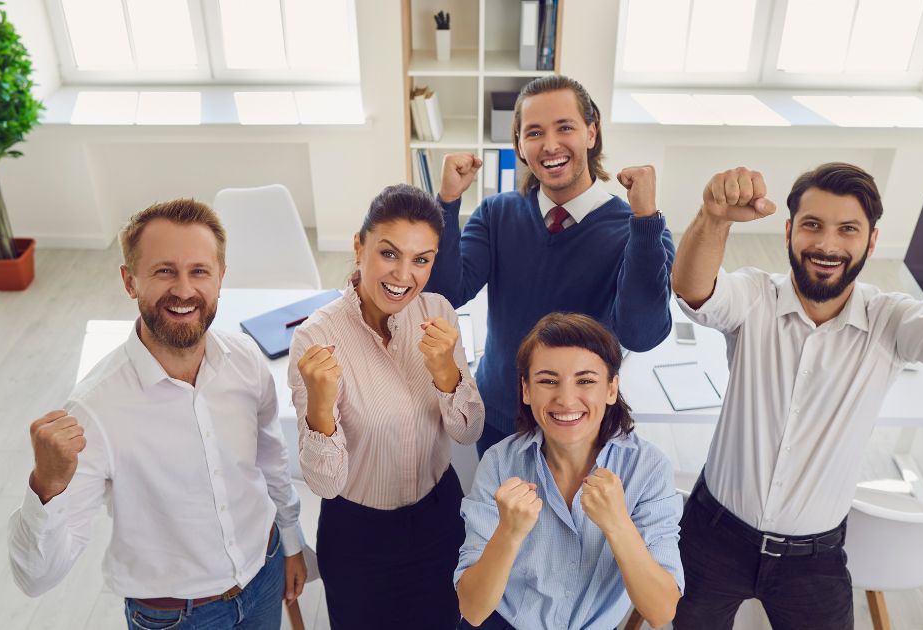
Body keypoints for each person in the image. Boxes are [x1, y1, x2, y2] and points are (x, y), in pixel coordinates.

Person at [669, 163, 923, 629]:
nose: (827, 245)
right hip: (713, 536)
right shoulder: (754, 296)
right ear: (789, 231)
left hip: (812, 558)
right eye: (812, 225)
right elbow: (694, 290)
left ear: (871, 241)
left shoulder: (890, 320)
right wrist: (714, 218)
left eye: (847, 229)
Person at [7, 199, 307, 629]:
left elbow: (270, 462)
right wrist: (47, 485)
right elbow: (35, 578)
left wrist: (292, 540)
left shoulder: (245, 361)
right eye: (164, 271)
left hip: (265, 573)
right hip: (177, 618)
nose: (184, 290)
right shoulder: (94, 410)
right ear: (130, 281)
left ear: (221, 277)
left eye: (199, 271)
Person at [426, 75, 675, 456]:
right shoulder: (496, 213)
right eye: (535, 133)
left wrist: (643, 222)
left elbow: (641, 334)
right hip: (500, 416)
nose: (551, 145)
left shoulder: (639, 230)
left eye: (565, 128)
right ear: (521, 147)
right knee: (499, 515)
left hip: (580, 422)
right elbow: (445, 294)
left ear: (592, 133)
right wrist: (446, 202)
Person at [290, 184, 484, 629]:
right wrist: (320, 408)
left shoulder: (439, 313)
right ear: (359, 247)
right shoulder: (315, 338)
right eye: (389, 253)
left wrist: (446, 374)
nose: (404, 275)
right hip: (359, 534)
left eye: (422, 259)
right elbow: (324, 481)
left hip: (439, 519)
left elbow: (468, 432)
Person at [455, 313, 683, 630]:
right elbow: (473, 609)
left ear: (611, 389)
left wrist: (618, 524)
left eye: (586, 381)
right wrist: (508, 533)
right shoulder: (500, 463)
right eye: (548, 381)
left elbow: (661, 612)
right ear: (526, 390)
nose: (565, 399)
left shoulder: (648, 469)